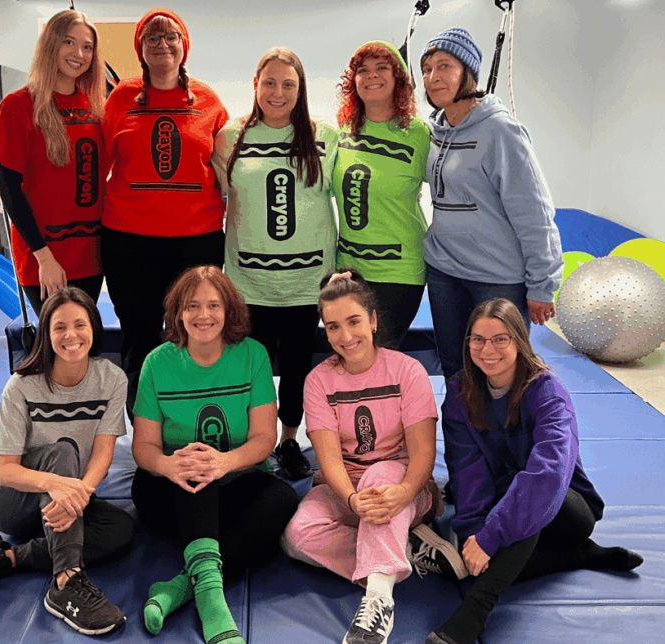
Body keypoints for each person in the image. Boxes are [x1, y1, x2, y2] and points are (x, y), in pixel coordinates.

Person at [425, 298, 644, 644]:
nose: (487, 349)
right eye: (478, 339)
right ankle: (579, 556)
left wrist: (491, 536)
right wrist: (474, 534)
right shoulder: (459, 392)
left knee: (524, 494)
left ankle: (474, 614)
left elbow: (548, 475)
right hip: (505, 502)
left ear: (519, 341)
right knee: (476, 563)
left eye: (500, 339)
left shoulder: (547, 391)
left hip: (566, 511)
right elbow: (467, 471)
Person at [282, 269, 465, 644]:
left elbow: (423, 452)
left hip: (401, 487)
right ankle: (405, 550)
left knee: (379, 479)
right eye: (333, 327)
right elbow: (329, 459)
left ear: (373, 320)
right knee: (297, 537)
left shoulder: (407, 371)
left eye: (354, 322)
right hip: (347, 490)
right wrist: (351, 499)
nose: (345, 336)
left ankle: (378, 602)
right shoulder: (319, 381)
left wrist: (405, 492)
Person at [131, 266, 299, 644]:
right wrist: (169, 465)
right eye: (192, 305)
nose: (203, 315)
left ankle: (180, 587)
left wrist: (225, 462)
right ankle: (213, 606)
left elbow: (264, 437)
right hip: (170, 488)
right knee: (196, 463)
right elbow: (143, 447)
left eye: (213, 305)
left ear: (229, 310)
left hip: (239, 481)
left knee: (283, 499)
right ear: (178, 312)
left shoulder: (253, 355)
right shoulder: (157, 362)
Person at [0, 287, 133, 636]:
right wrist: (54, 483)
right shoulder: (22, 385)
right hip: (8, 496)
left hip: (63, 495)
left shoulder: (112, 379)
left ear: (94, 329)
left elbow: (103, 453)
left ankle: (5, 559)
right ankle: (66, 581)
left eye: (79, 325)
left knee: (119, 530)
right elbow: (6, 470)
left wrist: (80, 493)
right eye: (59, 327)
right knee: (62, 452)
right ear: (47, 335)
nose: (71, 335)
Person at [212, 46, 338, 480]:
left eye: (288, 84)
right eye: (269, 83)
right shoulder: (230, 137)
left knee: (298, 368)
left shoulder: (325, 136)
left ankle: (287, 440)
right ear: (255, 85)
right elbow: (214, 196)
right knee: (255, 368)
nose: (278, 93)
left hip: (307, 283)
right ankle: (257, 443)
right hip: (249, 282)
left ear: (301, 90)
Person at [102, 8, 229, 413]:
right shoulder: (121, 99)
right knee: (139, 336)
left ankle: (190, 418)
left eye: (170, 37)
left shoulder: (208, 101)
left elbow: (230, 169)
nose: (162, 45)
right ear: (140, 49)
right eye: (152, 38)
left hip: (196, 242)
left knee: (194, 333)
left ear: (184, 46)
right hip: (129, 243)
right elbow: (98, 166)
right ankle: (145, 429)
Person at [420, 28, 563, 380]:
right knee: (454, 369)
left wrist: (542, 284)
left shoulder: (500, 131)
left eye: (445, 66)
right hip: (444, 272)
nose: (433, 77)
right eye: (426, 69)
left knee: (501, 373)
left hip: (497, 279)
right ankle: (458, 421)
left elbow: (534, 212)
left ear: (467, 73)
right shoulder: (434, 133)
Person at [0, 10, 105, 317]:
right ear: (50, 44)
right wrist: (44, 258)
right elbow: (10, 191)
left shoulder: (96, 107)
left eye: (87, 47)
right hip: (45, 258)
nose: (78, 53)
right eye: (69, 42)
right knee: (59, 338)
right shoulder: (17, 107)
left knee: (83, 337)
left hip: (91, 256)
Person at [332, 41, 431, 350]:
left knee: (379, 357)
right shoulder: (343, 132)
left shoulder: (418, 134)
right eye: (363, 70)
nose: (371, 75)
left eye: (382, 68)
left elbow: (452, 186)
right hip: (350, 270)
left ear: (398, 78)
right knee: (353, 354)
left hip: (399, 273)